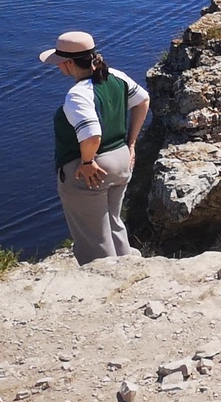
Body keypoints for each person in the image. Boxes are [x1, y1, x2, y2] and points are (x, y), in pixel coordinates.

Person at [42, 31, 149, 265]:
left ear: (69, 63)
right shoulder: (116, 77)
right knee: (113, 221)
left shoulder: (78, 94)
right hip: (121, 161)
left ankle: (107, 285)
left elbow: (91, 135)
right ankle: (127, 267)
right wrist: (131, 143)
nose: (59, 67)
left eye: (60, 62)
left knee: (94, 237)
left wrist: (88, 162)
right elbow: (143, 101)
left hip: (92, 172)